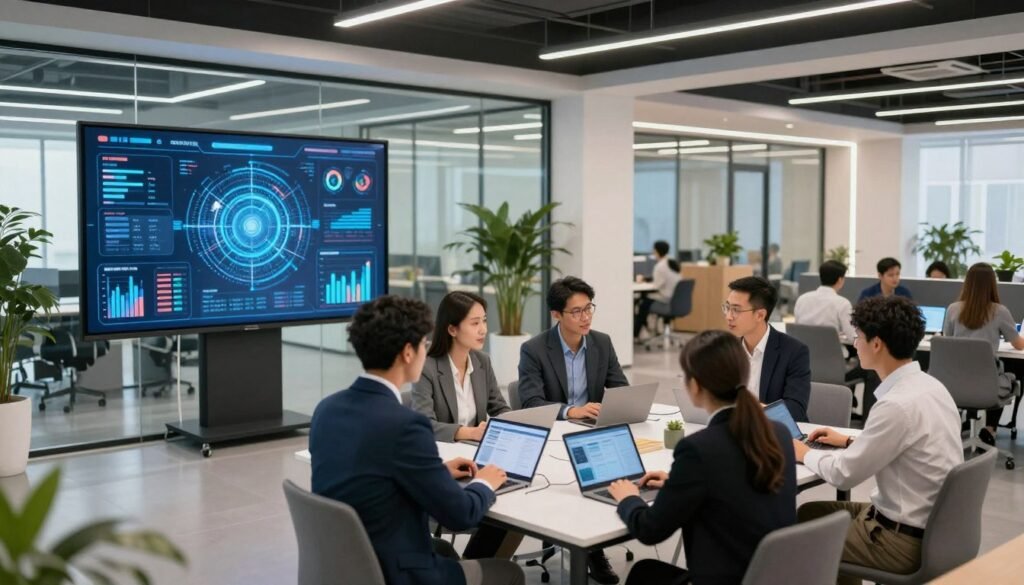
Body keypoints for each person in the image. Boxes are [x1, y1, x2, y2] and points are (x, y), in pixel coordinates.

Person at [310, 296, 524, 585]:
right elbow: (461, 515)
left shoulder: (326, 409)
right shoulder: (406, 426)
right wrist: (485, 482)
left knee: (446, 551)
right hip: (397, 570)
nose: (427, 350)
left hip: (347, 561)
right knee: (510, 573)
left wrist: (437, 471)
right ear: (408, 353)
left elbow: (371, 473)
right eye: (423, 343)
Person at [794, 296, 963, 585]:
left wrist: (802, 452)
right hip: (935, 529)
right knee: (811, 513)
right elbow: (906, 446)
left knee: (805, 540)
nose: (854, 343)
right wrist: (848, 442)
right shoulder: (932, 386)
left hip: (900, 540)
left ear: (876, 344)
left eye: (857, 337)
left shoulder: (895, 405)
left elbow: (843, 475)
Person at [607, 330, 797, 585]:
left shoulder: (698, 449)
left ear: (695, 385)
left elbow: (649, 530)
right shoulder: (780, 433)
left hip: (728, 578)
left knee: (645, 573)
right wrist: (678, 484)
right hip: (774, 576)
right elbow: (735, 485)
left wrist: (628, 498)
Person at [518, 275, 629, 584]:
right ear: (557, 314)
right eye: (577, 311)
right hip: (555, 435)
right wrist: (571, 411)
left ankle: (594, 543)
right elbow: (531, 403)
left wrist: (615, 408)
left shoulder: (601, 342)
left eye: (589, 308)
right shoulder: (534, 349)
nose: (585, 317)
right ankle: (590, 551)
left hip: (593, 432)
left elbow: (620, 388)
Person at [943, 262, 1024, 445]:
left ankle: (961, 428)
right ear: (992, 284)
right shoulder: (1000, 311)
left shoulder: (953, 309)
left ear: (967, 283)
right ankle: (989, 430)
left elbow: (948, 340)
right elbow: (1018, 345)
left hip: (955, 383)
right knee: (1012, 375)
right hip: (988, 386)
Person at [413, 291, 511, 443]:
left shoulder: (482, 361)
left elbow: (499, 409)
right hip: (444, 451)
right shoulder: (426, 368)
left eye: (484, 321)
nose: (483, 329)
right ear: (452, 330)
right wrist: (470, 433)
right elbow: (425, 425)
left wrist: (516, 424)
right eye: (475, 323)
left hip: (474, 449)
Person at [725, 276, 811, 421]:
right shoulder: (727, 350)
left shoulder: (794, 352)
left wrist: (752, 410)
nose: (728, 316)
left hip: (776, 430)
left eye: (736, 310)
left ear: (760, 315)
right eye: (727, 308)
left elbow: (796, 409)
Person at [794, 260, 855, 341]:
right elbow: (852, 336)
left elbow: (797, 330)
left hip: (804, 347)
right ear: (840, 280)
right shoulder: (843, 303)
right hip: (831, 348)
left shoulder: (802, 299)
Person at [635, 240, 681, 339]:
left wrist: (644, 280)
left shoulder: (660, 266)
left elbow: (656, 286)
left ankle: (636, 332)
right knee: (645, 300)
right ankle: (648, 330)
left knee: (642, 303)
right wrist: (647, 279)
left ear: (656, 251)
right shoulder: (672, 262)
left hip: (666, 300)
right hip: (675, 300)